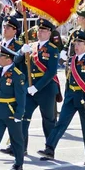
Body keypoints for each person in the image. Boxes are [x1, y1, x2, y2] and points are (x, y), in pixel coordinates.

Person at [38, 30, 85, 164]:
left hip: (83, 97)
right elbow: (68, 80)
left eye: (80, 43)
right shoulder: (71, 60)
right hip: (71, 96)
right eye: (75, 43)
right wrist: (66, 96)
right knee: (60, 124)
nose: (76, 46)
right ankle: (49, 148)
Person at [18, 18, 59, 155]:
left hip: (46, 89)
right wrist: (21, 53)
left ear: (49, 33)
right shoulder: (31, 46)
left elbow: (51, 72)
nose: (40, 33)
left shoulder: (53, 49)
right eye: (39, 30)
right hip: (30, 88)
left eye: (43, 31)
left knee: (48, 120)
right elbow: (21, 65)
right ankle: (21, 147)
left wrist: (37, 87)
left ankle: (50, 148)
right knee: (24, 116)